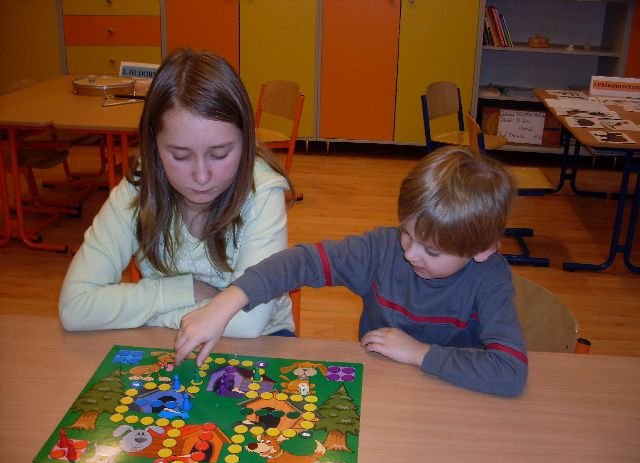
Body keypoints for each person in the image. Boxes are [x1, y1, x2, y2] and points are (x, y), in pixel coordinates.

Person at [174, 146, 529, 397]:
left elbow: (510, 371)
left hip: (452, 396)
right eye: (406, 233)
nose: (409, 253)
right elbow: (302, 262)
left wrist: (420, 353)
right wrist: (228, 301)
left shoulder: (490, 279)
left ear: (482, 250)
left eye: (431, 250)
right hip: (377, 390)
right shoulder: (381, 250)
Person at [59, 48, 296, 337]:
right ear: (154, 146)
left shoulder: (262, 191)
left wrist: (148, 312)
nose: (201, 177)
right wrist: (185, 291)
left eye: (219, 154)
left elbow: (247, 324)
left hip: (263, 340)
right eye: (180, 156)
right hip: (169, 338)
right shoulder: (140, 185)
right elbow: (75, 307)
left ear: (246, 140)